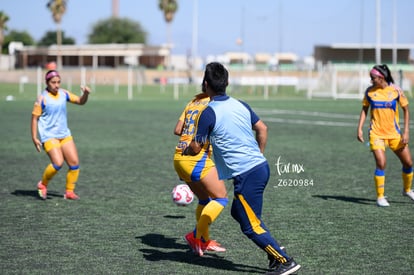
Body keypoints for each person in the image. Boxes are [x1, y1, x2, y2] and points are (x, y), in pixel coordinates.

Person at [183, 62, 301, 275]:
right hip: (259, 168)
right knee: (240, 212)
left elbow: (196, 146)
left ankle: (285, 261)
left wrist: (187, 151)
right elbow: (262, 128)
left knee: (249, 226)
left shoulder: (208, 113)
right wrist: (259, 154)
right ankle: (274, 252)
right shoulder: (241, 104)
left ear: (205, 84)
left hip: (248, 175)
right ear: (227, 83)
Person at [173, 92, 228, 256]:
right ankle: (195, 236)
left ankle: (204, 241)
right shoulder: (213, 104)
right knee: (221, 197)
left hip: (179, 157)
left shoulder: (193, 102)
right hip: (196, 158)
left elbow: (177, 130)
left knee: (205, 199)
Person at [357, 64, 414, 207]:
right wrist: (359, 129)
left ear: (381, 77)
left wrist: (406, 131)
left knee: (408, 163)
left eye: (373, 78)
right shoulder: (369, 92)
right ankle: (380, 197)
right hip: (376, 134)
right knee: (381, 163)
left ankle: (407, 190)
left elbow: (406, 110)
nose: (371, 81)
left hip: (394, 134)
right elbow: (364, 110)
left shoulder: (395, 90)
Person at [31, 70, 91, 200]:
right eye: (53, 82)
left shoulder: (64, 94)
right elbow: (34, 118)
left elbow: (81, 101)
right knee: (58, 163)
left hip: (64, 135)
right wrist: (34, 137)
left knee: (74, 164)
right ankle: (42, 185)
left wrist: (85, 94)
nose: (56, 85)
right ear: (47, 83)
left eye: (58, 82)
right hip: (49, 136)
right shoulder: (42, 98)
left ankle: (69, 192)